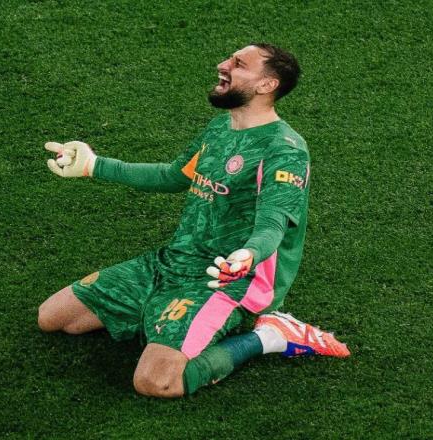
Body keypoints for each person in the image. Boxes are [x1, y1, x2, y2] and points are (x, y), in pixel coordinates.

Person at [39, 43, 350, 398]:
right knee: (54, 318)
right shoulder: (220, 128)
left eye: (238, 64)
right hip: (173, 261)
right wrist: (95, 165)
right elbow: (173, 175)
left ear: (266, 85)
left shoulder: (285, 150)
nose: (223, 65)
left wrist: (247, 255)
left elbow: (272, 225)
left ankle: (268, 337)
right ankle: (158, 315)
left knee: (157, 382)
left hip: (226, 280)